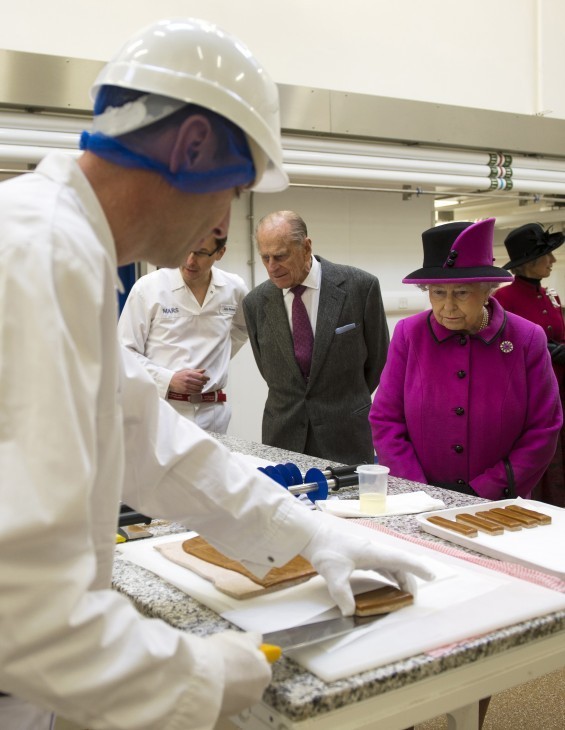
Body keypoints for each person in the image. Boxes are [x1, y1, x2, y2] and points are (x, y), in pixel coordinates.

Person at [0, 18, 434, 730]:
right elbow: (22, 607)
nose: (220, 221)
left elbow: (148, 440)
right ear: (192, 147)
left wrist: (308, 534)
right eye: (233, 191)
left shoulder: (63, 248)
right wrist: (202, 676)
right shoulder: (38, 255)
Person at [369, 218, 562, 500]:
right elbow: (386, 420)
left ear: (487, 289)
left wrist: (486, 488)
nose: (447, 306)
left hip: (499, 504)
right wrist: (419, 491)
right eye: (437, 293)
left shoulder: (526, 338)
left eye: (461, 292)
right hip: (420, 501)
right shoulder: (409, 334)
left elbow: (544, 428)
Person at [243, 210, 389, 465]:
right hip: (283, 439)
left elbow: (378, 362)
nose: (271, 267)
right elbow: (270, 371)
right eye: (265, 257)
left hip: (345, 436)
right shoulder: (255, 303)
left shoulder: (359, 287)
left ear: (306, 246)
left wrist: (340, 402)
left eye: (280, 256)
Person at [118, 234, 248, 434]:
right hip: (163, 409)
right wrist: (169, 379)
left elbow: (242, 328)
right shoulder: (148, 288)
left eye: (201, 253)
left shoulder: (234, 288)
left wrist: (217, 359)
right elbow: (123, 353)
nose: (190, 260)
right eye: (185, 249)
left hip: (213, 412)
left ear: (220, 252)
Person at [493, 222, 565, 507]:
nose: (553, 261)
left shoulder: (551, 295)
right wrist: (551, 351)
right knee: (543, 459)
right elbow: (504, 347)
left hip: (561, 389)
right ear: (529, 262)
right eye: (546, 255)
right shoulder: (502, 299)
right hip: (531, 394)